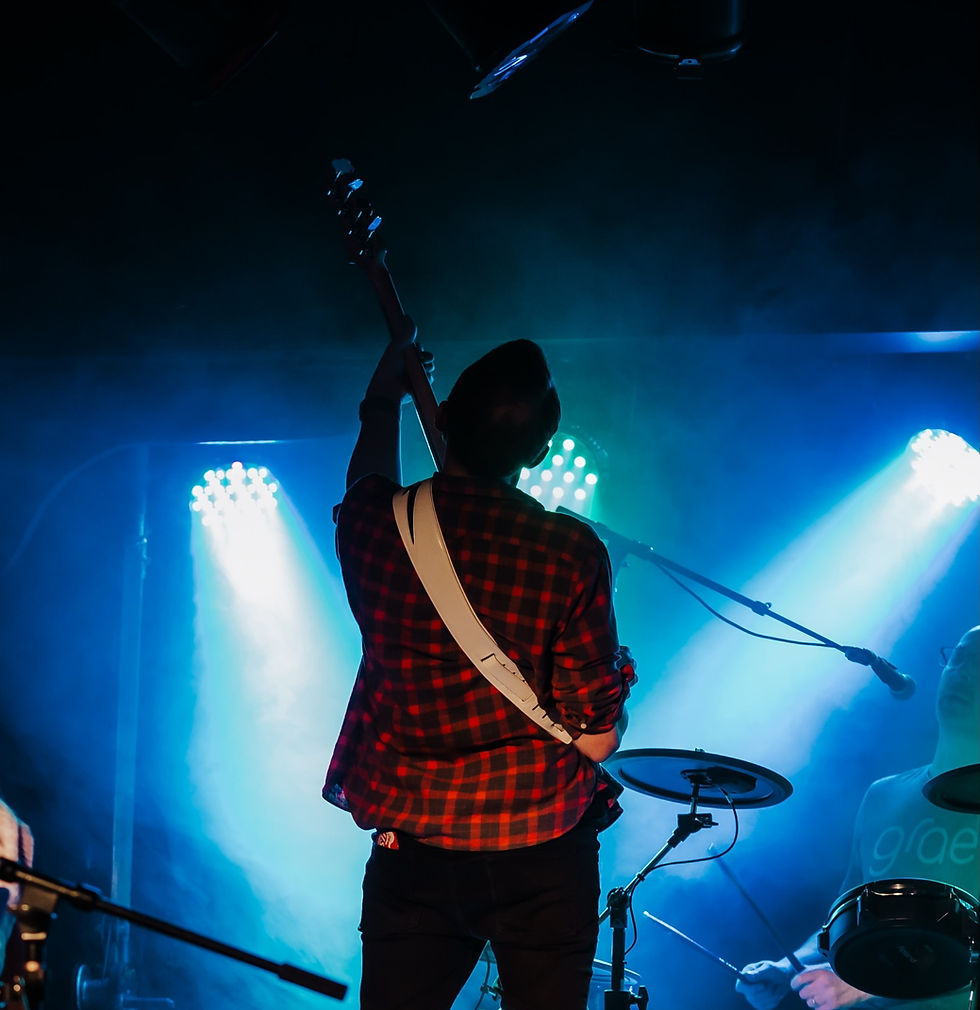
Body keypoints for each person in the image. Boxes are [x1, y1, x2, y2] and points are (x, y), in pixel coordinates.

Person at [322, 332, 634, 1010]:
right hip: (541, 847)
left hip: (415, 848)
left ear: (441, 419)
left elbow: (366, 478)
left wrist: (383, 399)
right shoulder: (568, 552)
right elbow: (597, 735)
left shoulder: (371, 526)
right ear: (540, 450)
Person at [736, 625, 980, 1010]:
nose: (965, 672)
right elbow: (846, 926)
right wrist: (787, 968)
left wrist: (866, 984)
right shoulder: (883, 794)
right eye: (961, 658)